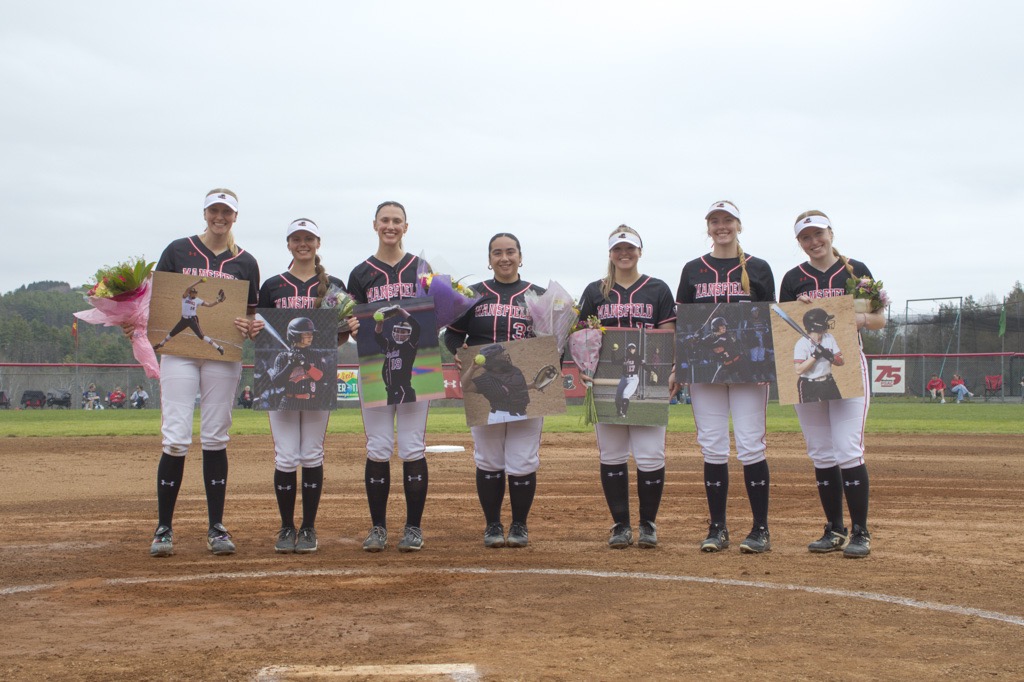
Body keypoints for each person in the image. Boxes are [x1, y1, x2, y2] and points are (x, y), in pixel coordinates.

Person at [140, 188, 260, 558]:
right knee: (175, 437)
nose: (219, 217)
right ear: (205, 213)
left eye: (226, 211)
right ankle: (163, 527)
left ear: (235, 216)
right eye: (214, 210)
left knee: (215, 436)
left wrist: (250, 325)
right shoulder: (179, 250)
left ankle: (216, 527)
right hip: (180, 354)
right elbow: (157, 301)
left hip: (222, 358)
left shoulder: (246, 261)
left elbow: (251, 314)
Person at [779, 209, 886, 558]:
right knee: (821, 453)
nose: (814, 242)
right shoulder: (794, 277)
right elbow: (783, 325)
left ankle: (861, 532)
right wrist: (799, 308)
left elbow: (879, 320)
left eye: (818, 233)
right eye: (805, 237)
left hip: (847, 370)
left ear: (831, 233)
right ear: (799, 242)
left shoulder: (856, 271)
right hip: (808, 379)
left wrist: (854, 317)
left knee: (847, 449)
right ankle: (834, 529)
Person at [676, 201, 775, 554]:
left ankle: (760, 529)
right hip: (705, 370)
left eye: (728, 220)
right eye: (715, 221)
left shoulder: (759, 268)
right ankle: (717, 527)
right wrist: (679, 364)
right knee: (713, 446)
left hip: (748, 368)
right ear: (708, 228)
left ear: (739, 225)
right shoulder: (693, 270)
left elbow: (768, 321)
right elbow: (683, 322)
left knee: (751, 445)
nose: (722, 226)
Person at [251, 218, 355, 555]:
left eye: (308, 238)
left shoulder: (333, 286)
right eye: (296, 238)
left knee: (311, 454)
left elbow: (339, 335)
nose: (303, 244)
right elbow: (260, 329)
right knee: (285, 456)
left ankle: (308, 528)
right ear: (288, 244)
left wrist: (344, 330)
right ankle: (286, 527)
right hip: (279, 381)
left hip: (318, 381)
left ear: (318, 243)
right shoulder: (272, 286)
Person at [446, 233, 546, 548]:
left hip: (521, 382)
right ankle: (492, 525)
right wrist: (456, 351)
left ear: (520, 256)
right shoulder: (472, 295)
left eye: (510, 252)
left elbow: (555, 339)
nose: (504, 258)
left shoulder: (540, 296)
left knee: (523, 458)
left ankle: (519, 525)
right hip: (484, 385)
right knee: (488, 458)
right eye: (497, 253)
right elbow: (451, 335)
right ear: (489, 259)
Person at [578, 225, 676, 549]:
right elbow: (581, 336)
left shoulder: (658, 289)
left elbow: (669, 335)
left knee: (650, 456)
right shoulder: (595, 291)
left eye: (630, 248)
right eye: (618, 249)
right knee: (612, 455)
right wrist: (583, 367)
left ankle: (648, 523)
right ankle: (620, 524)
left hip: (649, 378)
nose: (624, 254)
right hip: (606, 378)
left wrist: (671, 370)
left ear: (639, 251)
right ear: (610, 254)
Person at [346, 201, 430, 553]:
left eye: (397, 221)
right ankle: (378, 527)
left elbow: (434, 312)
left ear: (406, 227)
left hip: (417, 370)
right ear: (375, 225)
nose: (390, 226)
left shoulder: (422, 269)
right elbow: (354, 326)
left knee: (412, 447)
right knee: (378, 448)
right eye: (385, 220)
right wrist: (350, 326)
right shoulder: (361, 272)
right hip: (373, 367)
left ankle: (413, 528)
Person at [152, 280, 227, 355]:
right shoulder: (185, 297)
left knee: (201, 336)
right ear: (189, 293)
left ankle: (219, 347)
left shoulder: (198, 300)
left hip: (192, 320)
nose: (194, 294)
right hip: (183, 320)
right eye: (192, 292)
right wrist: (199, 282)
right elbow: (188, 288)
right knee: (172, 333)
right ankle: (161, 344)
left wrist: (217, 301)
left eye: (195, 293)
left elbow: (210, 305)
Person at [373, 305, 421, 405]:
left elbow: (417, 327)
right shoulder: (390, 346)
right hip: (391, 391)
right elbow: (377, 337)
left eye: (403, 332)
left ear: (409, 334)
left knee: (403, 420)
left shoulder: (409, 346)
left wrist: (401, 311)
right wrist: (379, 323)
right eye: (398, 331)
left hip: (403, 391)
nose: (399, 334)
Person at [794, 308, 844, 402]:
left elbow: (841, 361)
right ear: (818, 325)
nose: (828, 323)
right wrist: (815, 356)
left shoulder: (829, 338)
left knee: (840, 410)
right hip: (808, 385)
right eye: (826, 321)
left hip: (828, 383)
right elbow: (798, 370)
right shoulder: (801, 344)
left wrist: (830, 356)